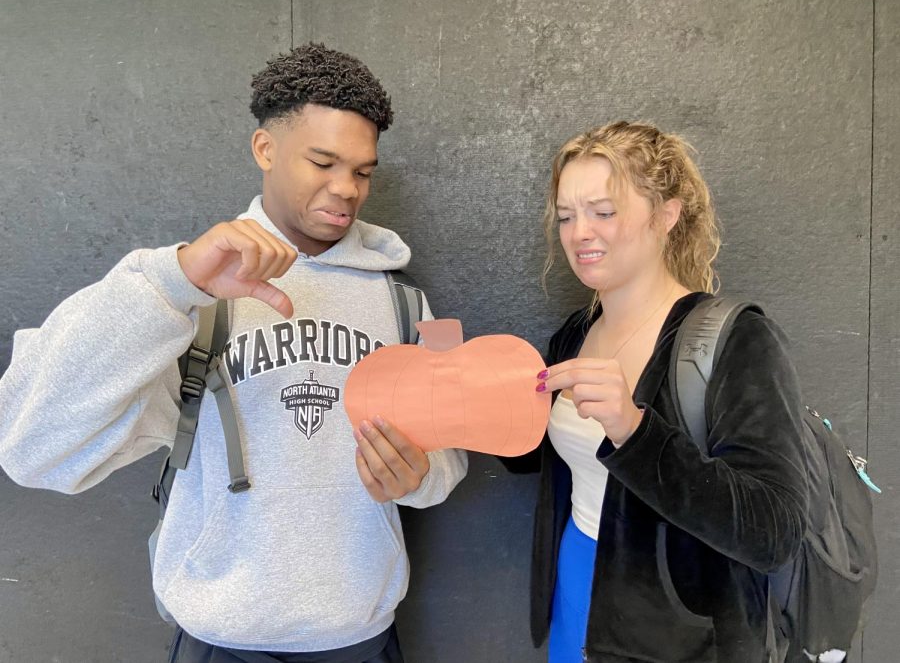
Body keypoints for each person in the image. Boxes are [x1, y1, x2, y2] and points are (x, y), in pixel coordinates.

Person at [0, 43, 467, 663]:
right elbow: (32, 450)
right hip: (220, 638)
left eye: (363, 171)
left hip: (357, 636)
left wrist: (422, 476)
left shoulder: (406, 301)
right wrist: (171, 284)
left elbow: (449, 456)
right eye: (323, 161)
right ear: (265, 149)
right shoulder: (187, 292)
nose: (346, 189)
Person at [504, 121, 809, 662]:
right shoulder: (575, 334)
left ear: (666, 215)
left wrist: (635, 430)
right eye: (567, 216)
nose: (579, 233)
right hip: (577, 587)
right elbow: (548, 456)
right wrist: (470, 408)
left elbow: (773, 529)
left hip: (678, 629)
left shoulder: (734, 339)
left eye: (604, 211)